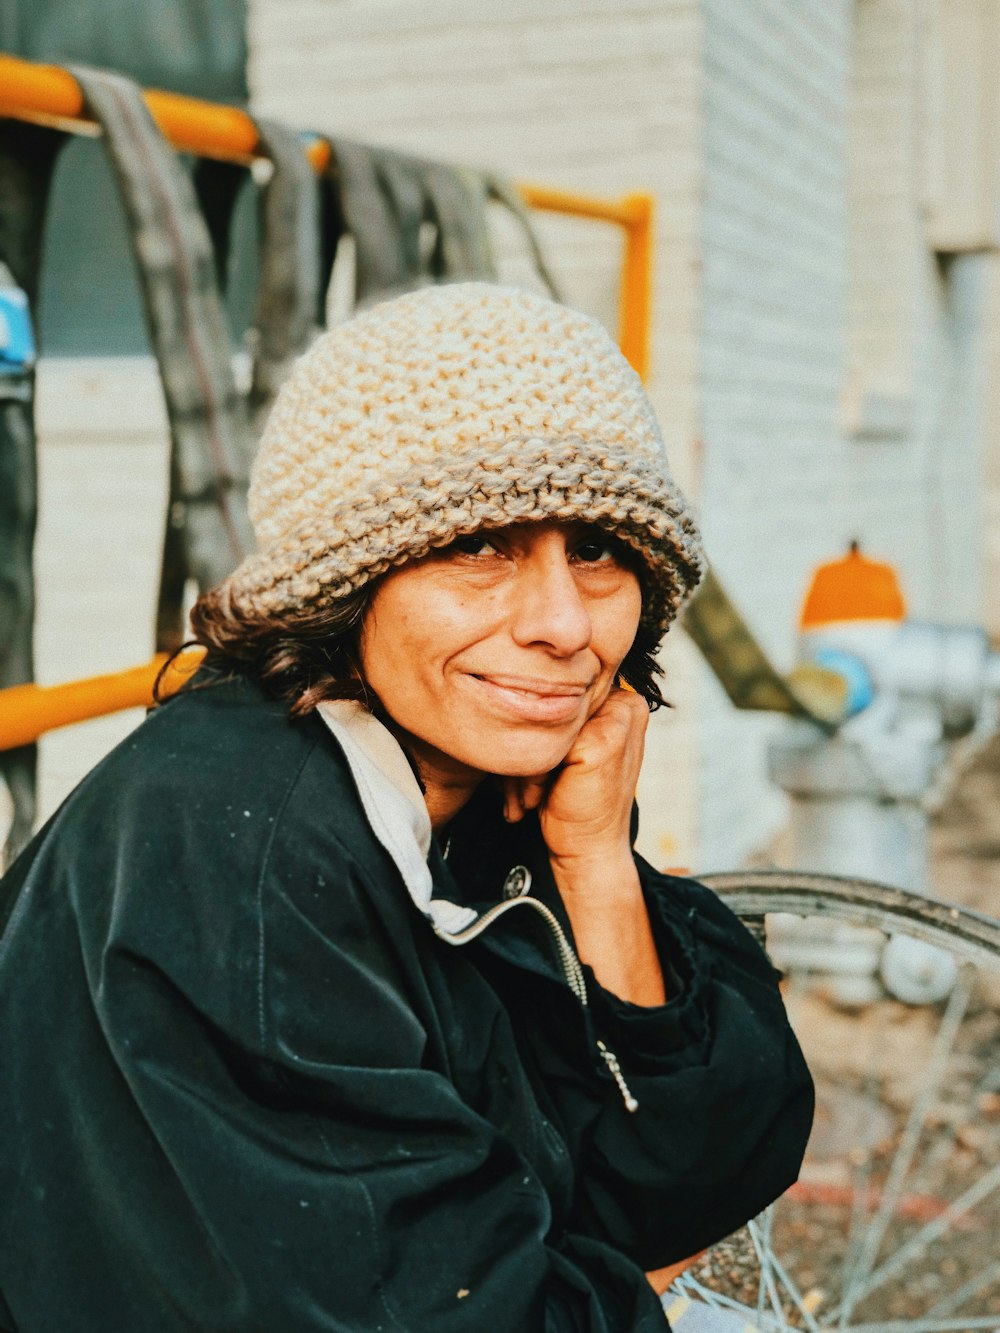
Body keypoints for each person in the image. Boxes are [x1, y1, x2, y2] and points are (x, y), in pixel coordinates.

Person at [0, 283, 813, 1332]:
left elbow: (711, 1158)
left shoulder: (470, 782)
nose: (564, 624)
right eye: (481, 547)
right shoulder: (236, 858)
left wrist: (598, 864)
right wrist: (630, 1282)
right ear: (345, 582)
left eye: (601, 551)